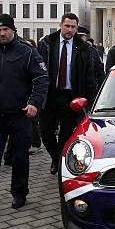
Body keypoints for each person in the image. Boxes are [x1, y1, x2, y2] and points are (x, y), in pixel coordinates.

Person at [0, 14, 48, 213]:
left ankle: (19, 193)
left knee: (20, 157)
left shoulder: (28, 52)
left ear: (13, 30)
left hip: (20, 115)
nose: (2, 33)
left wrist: (34, 104)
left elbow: (41, 79)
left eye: (6, 29)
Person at [38, 13, 97, 175]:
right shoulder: (47, 43)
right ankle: (56, 157)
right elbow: (37, 71)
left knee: (66, 133)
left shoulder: (83, 48)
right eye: (67, 26)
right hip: (50, 95)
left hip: (71, 97)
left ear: (77, 28)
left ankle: (59, 160)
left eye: (73, 27)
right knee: (45, 130)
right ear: (61, 25)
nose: (70, 30)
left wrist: (90, 102)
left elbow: (89, 77)